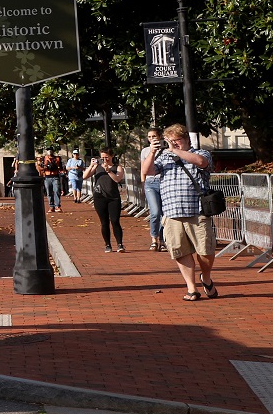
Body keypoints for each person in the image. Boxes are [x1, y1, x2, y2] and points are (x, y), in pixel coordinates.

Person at [143, 123, 217, 299]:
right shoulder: (163, 157)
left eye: (177, 140)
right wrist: (153, 152)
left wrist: (175, 151)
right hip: (172, 212)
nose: (174, 144)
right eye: (171, 141)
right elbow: (147, 172)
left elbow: (201, 163)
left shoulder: (200, 153)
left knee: (205, 251)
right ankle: (191, 288)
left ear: (186, 139)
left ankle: (205, 277)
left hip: (197, 211)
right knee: (180, 251)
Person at [89, 151, 125, 251]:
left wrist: (108, 171)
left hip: (113, 198)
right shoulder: (97, 167)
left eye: (107, 157)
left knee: (115, 221)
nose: (105, 160)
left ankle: (120, 244)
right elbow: (84, 176)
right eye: (102, 158)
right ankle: (107, 245)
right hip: (99, 197)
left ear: (112, 156)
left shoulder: (117, 167)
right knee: (104, 222)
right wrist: (91, 166)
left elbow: (117, 179)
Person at [141, 128, 167, 250]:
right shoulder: (145, 151)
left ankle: (162, 240)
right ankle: (154, 238)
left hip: (163, 182)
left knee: (164, 213)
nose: (151, 139)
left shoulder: (166, 150)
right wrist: (143, 183)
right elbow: (143, 169)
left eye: (154, 136)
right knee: (155, 212)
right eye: (149, 137)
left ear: (160, 137)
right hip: (150, 183)